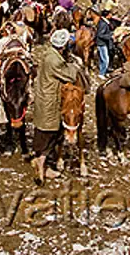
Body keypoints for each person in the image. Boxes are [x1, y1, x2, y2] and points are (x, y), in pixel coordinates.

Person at [31, 29, 80, 184]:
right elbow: (70, 75)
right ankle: (42, 164)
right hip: (50, 101)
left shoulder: (48, 53)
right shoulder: (55, 60)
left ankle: (45, 164)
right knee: (50, 133)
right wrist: (74, 65)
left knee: (44, 132)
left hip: (43, 97)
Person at [95, 8, 114, 77]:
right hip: (102, 43)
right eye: (110, 14)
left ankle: (103, 72)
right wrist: (110, 36)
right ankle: (101, 73)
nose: (111, 15)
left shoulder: (103, 22)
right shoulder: (103, 24)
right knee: (106, 59)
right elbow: (100, 34)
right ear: (107, 15)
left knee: (102, 59)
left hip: (102, 43)